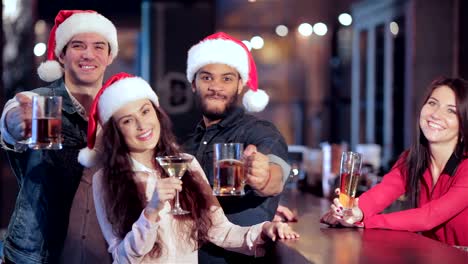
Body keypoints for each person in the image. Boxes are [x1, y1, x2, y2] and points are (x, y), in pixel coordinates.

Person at [76, 72, 299, 263]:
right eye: (127, 120)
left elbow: (220, 231)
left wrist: (265, 229)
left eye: (145, 112)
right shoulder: (105, 179)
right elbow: (122, 258)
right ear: (116, 131)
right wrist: (151, 212)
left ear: (156, 113)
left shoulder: (186, 163)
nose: (142, 125)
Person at [0, 10, 118, 263]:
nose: (88, 54)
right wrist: (16, 124)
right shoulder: (40, 102)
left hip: (104, 253)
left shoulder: (119, 110)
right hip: (36, 256)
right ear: (62, 55)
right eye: (78, 45)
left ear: (109, 56)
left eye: (99, 46)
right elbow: (13, 121)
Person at [320, 77, 468, 249]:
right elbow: (380, 194)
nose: (436, 114)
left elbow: (428, 218)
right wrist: (352, 212)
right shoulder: (413, 159)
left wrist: (362, 222)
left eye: (451, 111)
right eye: (432, 103)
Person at [183, 32, 291, 262]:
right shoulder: (187, 143)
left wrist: (263, 179)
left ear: (241, 84)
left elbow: (276, 174)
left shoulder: (259, 131)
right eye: (207, 78)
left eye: (227, 79)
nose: (216, 87)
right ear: (194, 83)